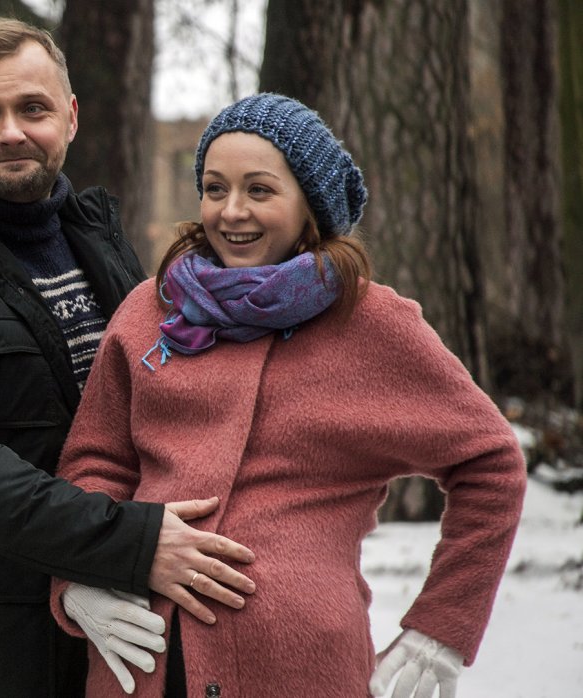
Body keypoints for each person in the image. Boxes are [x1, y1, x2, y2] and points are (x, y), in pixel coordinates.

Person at [50, 93, 526, 697]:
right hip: (141, 665)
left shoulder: (371, 323)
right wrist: (82, 575)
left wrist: (442, 627)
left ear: (309, 206)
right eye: (215, 188)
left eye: (260, 190)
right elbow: (97, 461)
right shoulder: (151, 309)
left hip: (303, 671)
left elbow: (491, 463)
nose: (232, 211)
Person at [0, 19, 259, 698]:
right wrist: (125, 545)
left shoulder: (98, 238)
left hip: (129, 627)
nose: (11, 131)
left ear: (70, 118)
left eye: (32, 108)